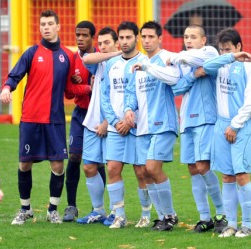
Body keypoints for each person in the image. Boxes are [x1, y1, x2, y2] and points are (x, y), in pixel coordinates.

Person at [0, 9, 74, 225]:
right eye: (43, 24)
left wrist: (86, 87)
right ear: (40, 27)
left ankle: (52, 209)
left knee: (58, 166)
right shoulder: (31, 53)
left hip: (55, 120)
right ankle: (26, 209)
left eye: (50, 24)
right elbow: (15, 75)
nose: (46, 28)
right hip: (31, 118)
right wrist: (6, 88)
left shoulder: (68, 56)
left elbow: (71, 87)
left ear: (58, 27)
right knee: (25, 164)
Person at [202, 28, 251, 238]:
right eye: (221, 50)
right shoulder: (221, 64)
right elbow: (205, 67)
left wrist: (235, 125)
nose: (224, 53)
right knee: (227, 177)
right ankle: (231, 224)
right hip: (222, 125)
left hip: (243, 126)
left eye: (228, 49)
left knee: (241, 175)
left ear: (239, 46)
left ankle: (246, 225)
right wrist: (228, 57)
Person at [166, 24, 227, 233]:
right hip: (187, 121)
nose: (189, 40)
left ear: (203, 40)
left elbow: (200, 63)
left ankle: (221, 213)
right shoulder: (184, 61)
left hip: (206, 119)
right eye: (186, 37)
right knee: (192, 168)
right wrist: (192, 75)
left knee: (203, 166)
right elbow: (176, 88)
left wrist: (179, 58)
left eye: (193, 37)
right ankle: (204, 217)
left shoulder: (209, 53)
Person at [125, 21, 180, 231]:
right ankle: (162, 216)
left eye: (151, 37)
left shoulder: (166, 59)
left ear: (160, 39)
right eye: (144, 37)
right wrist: (129, 109)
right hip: (142, 128)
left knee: (152, 168)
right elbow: (132, 93)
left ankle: (170, 215)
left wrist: (148, 66)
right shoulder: (137, 65)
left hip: (162, 124)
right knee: (145, 173)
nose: (147, 41)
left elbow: (173, 78)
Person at [101, 21, 152, 229]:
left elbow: (147, 95)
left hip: (138, 128)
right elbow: (105, 96)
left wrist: (131, 121)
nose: (123, 41)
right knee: (112, 169)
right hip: (115, 128)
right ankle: (119, 216)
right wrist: (115, 121)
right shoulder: (111, 64)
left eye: (128, 37)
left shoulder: (145, 63)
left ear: (136, 38)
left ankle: (146, 215)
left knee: (142, 172)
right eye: (120, 38)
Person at [76, 27, 122, 224]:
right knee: (88, 167)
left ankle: (116, 212)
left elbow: (121, 98)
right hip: (91, 124)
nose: (102, 46)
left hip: (111, 126)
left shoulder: (121, 65)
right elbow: (86, 58)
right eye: (100, 43)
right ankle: (98, 211)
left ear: (116, 43)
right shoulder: (100, 62)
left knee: (113, 169)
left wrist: (106, 122)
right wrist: (112, 52)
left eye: (107, 43)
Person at [63, 20, 106, 222]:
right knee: (74, 158)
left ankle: (98, 208)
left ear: (92, 38)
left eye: (84, 35)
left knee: (98, 163)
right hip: (80, 114)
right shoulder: (72, 60)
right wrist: (88, 88)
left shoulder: (101, 58)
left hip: (99, 115)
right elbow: (69, 92)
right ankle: (71, 206)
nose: (80, 39)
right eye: (77, 35)